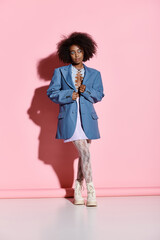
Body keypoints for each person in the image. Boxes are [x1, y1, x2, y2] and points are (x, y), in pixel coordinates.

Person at [47, 32, 105, 207]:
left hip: (88, 120)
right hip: (70, 121)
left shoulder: (95, 74)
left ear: (85, 51)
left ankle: (77, 190)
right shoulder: (60, 72)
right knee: (85, 153)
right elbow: (52, 93)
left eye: (79, 51)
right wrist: (68, 94)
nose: (76, 55)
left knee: (83, 156)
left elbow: (99, 95)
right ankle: (92, 191)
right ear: (67, 54)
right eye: (72, 52)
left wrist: (86, 91)